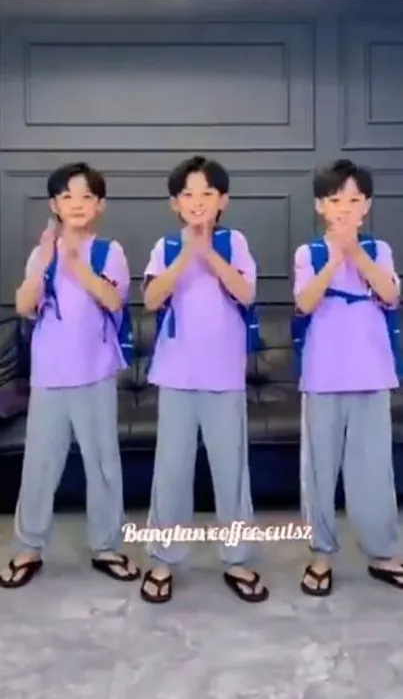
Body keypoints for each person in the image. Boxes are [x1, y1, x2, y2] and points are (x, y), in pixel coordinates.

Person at [0, 162, 140, 588]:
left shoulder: (109, 251)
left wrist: (75, 261)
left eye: (86, 197)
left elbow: (113, 300)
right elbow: (24, 305)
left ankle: (106, 547)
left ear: (99, 205)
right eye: (67, 196)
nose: (76, 204)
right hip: (48, 376)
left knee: (102, 465)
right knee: (40, 464)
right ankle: (29, 547)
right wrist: (47, 260)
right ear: (54, 204)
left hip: (95, 374)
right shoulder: (41, 253)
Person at [139, 155, 268, 604]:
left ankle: (236, 559)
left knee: (231, 472)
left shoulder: (235, 244)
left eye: (207, 194)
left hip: (224, 378)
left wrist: (208, 251)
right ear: (175, 203)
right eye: (188, 194)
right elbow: (152, 299)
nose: (197, 202)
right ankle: (162, 558)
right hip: (175, 376)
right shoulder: (165, 247)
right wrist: (186, 254)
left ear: (222, 201)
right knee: (171, 472)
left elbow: (246, 293)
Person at [293, 158, 403, 596]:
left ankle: (383, 553)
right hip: (322, 375)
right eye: (336, 200)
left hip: (372, 374)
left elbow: (391, 294)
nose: (345, 207)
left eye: (354, 199)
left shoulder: (379, 250)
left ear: (367, 205)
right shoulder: (309, 253)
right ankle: (320, 554)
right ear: (321, 206)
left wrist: (355, 252)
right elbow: (304, 302)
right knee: (319, 470)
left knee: (375, 469)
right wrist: (336, 256)